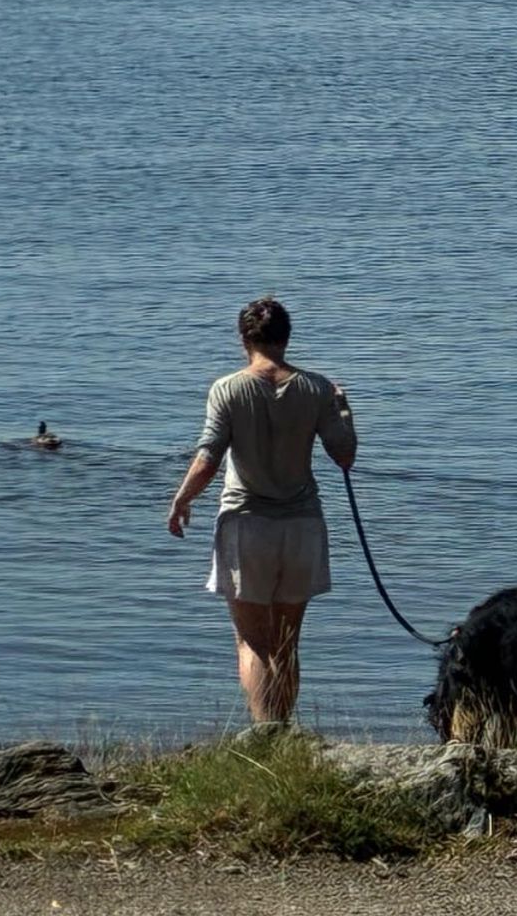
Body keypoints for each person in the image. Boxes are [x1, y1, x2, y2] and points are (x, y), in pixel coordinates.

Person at [167, 297, 357, 727]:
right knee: (287, 642)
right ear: (287, 338)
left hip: (246, 523)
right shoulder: (318, 388)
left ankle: (264, 734)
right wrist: (344, 408)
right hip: (302, 525)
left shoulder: (227, 388)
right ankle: (284, 729)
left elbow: (209, 457)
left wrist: (182, 500)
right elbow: (344, 456)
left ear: (243, 340)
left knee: (254, 643)